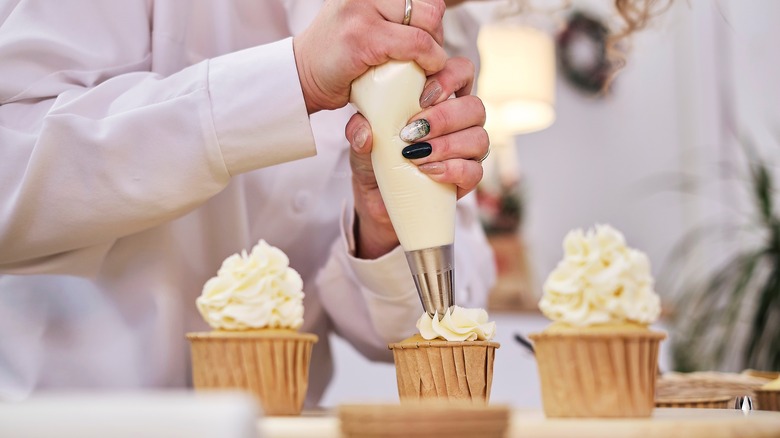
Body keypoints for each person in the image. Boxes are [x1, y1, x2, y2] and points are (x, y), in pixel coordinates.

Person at [0, 0, 495, 406]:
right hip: (69, 414)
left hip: (275, 423)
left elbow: (425, 326)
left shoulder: (443, 24)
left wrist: (383, 226)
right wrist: (292, 79)